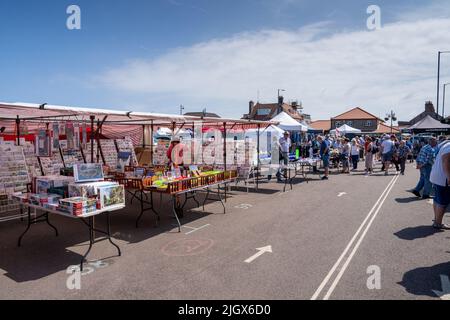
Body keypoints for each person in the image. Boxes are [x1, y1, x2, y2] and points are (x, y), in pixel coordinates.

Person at [430, 138, 450, 229]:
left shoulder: (445, 144)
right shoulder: (448, 146)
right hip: (443, 178)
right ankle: (438, 223)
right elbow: (446, 161)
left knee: (437, 199)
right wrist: (449, 176)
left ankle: (436, 220)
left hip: (437, 176)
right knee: (443, 201)